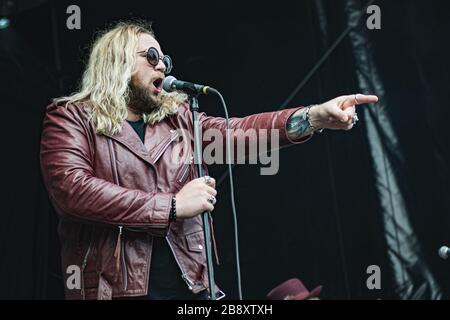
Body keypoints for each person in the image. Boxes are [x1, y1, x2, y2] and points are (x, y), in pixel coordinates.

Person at [40, 21, 378, 300]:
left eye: (165, 60)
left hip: (193, 287)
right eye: (152, 56)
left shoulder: (179, 119)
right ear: (117, 61)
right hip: (113, 289)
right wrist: (170, 206)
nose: (162, 65)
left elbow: (239, 133)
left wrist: (313, 116)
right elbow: (72, 190)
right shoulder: (71, 117)